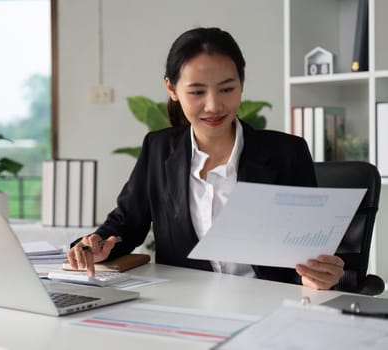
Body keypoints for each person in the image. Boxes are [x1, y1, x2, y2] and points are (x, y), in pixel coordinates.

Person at [67, 27, 344, 290]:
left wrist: (319, 277)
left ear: (241, 84)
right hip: (187, 307)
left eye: (226, 89)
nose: (213, 105)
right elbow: (126, 224)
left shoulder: (287, 153)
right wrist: (97, 246)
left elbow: (311, 248)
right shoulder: (158, 149)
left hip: (267, 306)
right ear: (172, 89)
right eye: (197, 92)